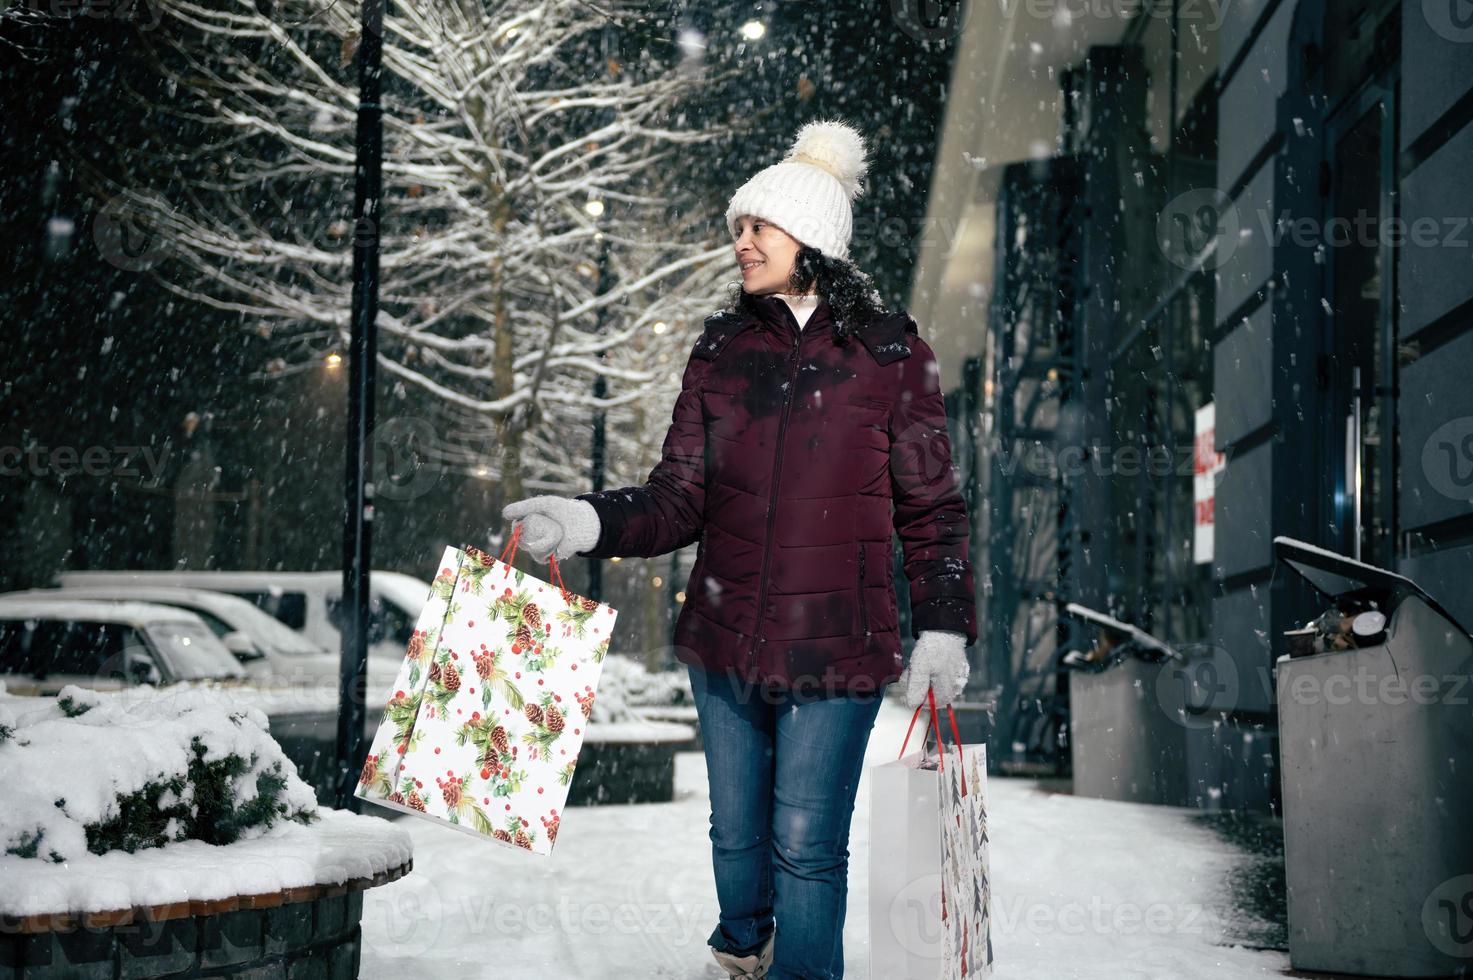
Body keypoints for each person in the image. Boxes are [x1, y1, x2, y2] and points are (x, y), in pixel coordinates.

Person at [502, 118, 976, 980]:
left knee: (805, 840)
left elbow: (933, 509)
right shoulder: (720, 351)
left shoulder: (892, 356)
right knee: (736, 835)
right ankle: (745, 940)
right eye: (737, 228)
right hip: (724, 641)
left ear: (813, 238)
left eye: (758, 226)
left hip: (838, 646)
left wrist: (942, 626)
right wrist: (586, 520)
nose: (741, 241)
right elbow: (677, 497)